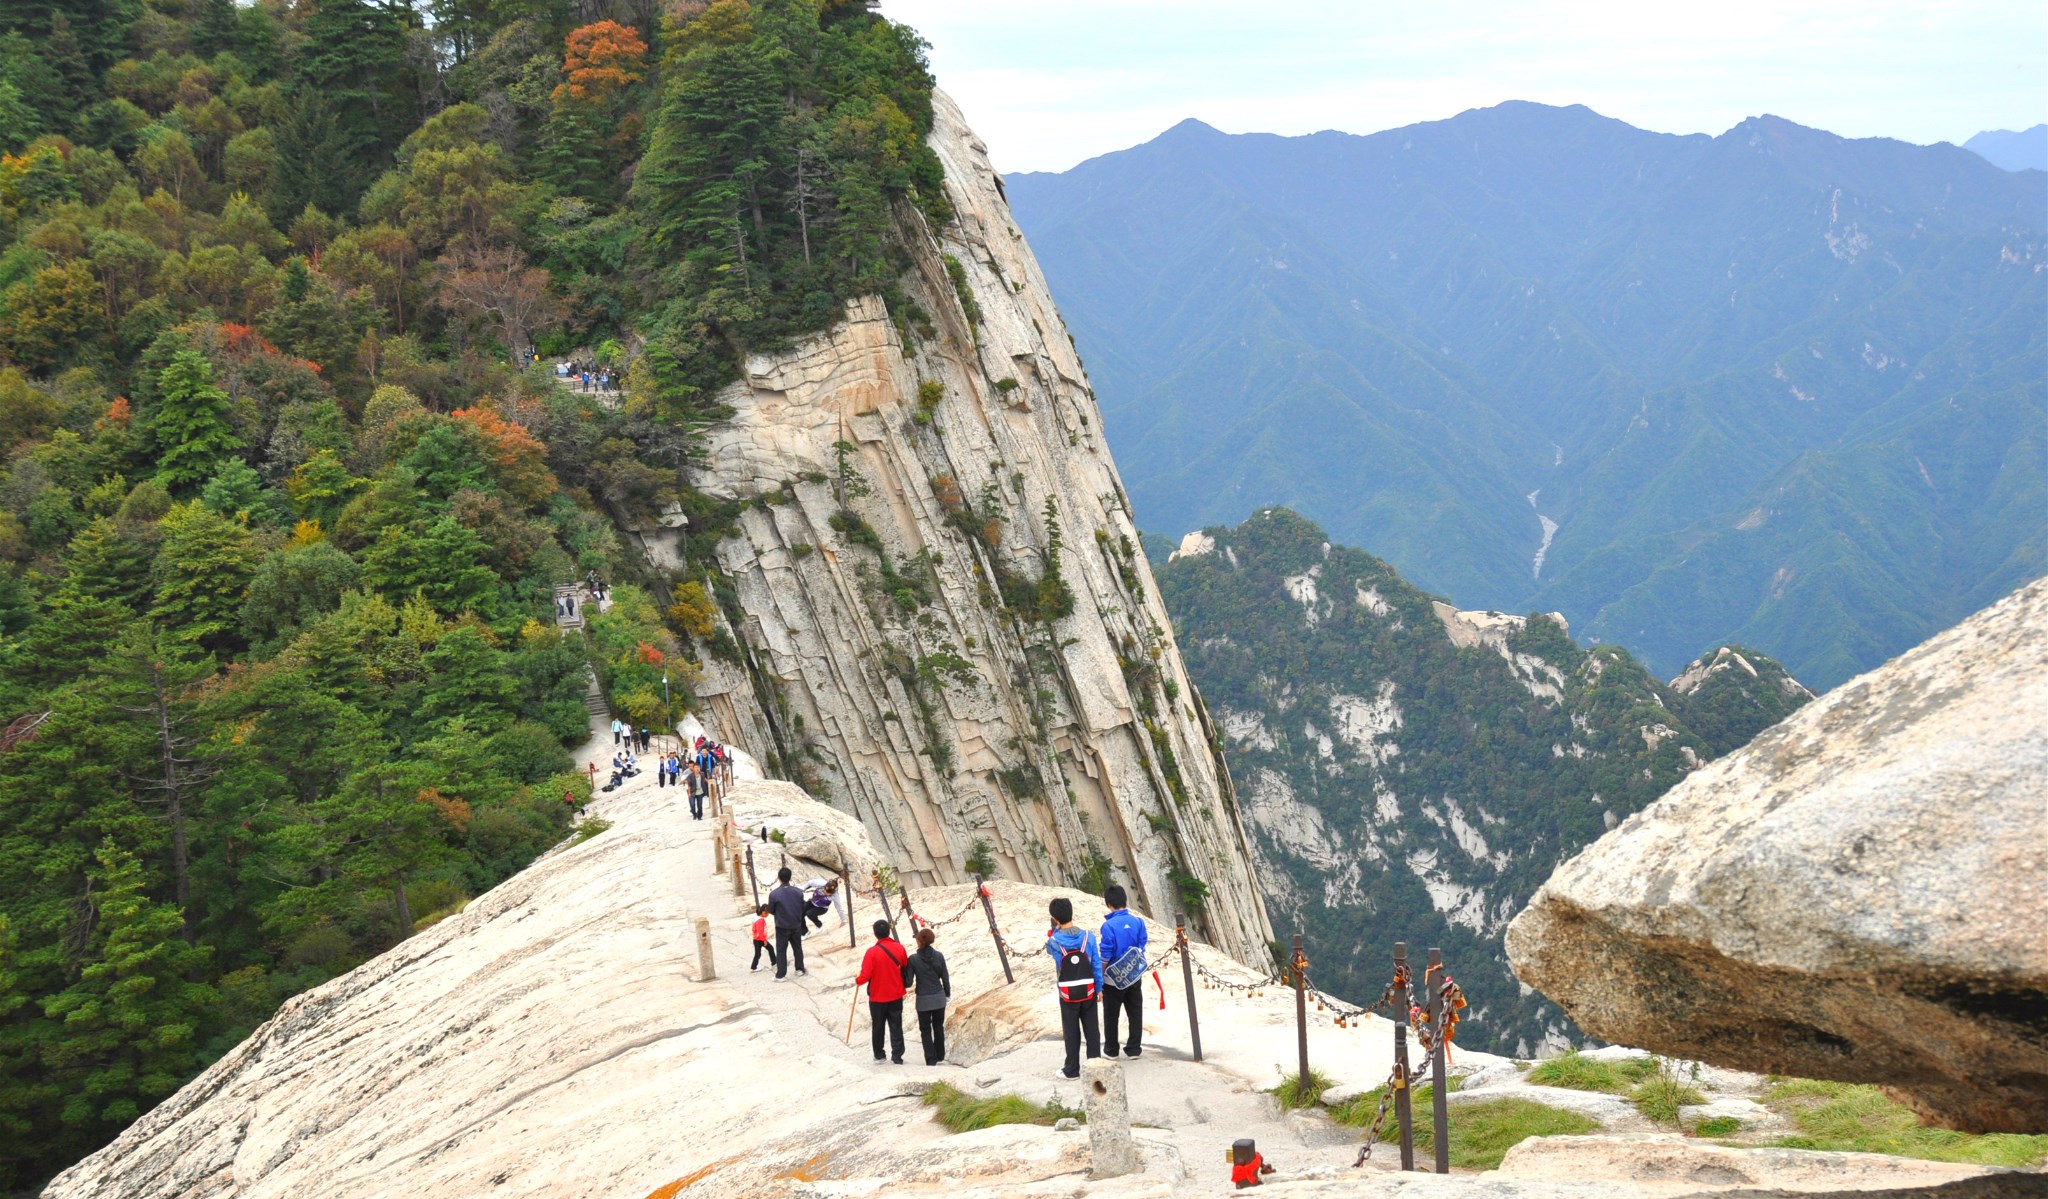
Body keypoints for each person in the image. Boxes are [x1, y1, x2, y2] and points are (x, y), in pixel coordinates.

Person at [1044, 896, 1102, 1080]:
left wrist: (1056, 930)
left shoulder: (1053, 942)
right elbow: (1096, 966)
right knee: (1092, 1029)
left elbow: (1051, 952)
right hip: (1089, 990)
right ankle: (1094, 1066)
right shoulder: (1088, 937)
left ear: (1055, 919)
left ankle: (1072, 1069)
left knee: (1071, 1030)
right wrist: (1099, 988)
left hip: (1068, 993)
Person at [1098, 884, 1149, 1058]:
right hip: (1134, 975)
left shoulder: (1108, 926)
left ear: (1108, 904)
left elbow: (1106, 954)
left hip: (1113, 979)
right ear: (1125, 901)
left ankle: (1112, 1050)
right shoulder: (1138, 921)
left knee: (1112, 1015)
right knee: (1135, 1011)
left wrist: (1101, 975)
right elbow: (1142, 945)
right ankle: (1134, 1049)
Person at [854, 919, 909, 1064]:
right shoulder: (900, 948)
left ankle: (879, 1055)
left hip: (877, 997)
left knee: (878, 1026)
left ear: (875, 934)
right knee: (896, 1025)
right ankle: (897, 1056)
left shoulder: (871, 952)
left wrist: (858, 980)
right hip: (896, 993)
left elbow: (865, 976)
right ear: (889, 931)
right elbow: (904, 965)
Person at [905, 926, 952, 1065]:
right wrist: (947, 994)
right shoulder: (939, 956)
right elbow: (945, 977)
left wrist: (900, 972)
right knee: (938, 1026)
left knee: (925, 1029)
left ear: (918, 941)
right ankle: (940, 1055)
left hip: (923, 1000)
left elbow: (908, 982)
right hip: (938, 997)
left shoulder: (913, 959)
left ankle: (930, 1059)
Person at [768, 867, 807, 979]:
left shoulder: (774, 894)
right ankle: (799, 969)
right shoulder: (798, 892)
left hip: (782, 926)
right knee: (797, 947)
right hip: (796, 924)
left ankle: (781, 975)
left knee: (781, 950)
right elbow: (802, 906)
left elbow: (771, 910)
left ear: (779, 878)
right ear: (790, 878)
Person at [750, 904, 777, 972]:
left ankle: (753, 967)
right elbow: (760, 931)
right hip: (760, 939)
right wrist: (764, 940)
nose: (767, 915)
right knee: (770, 949)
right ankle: (774, 963)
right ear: (763, 912)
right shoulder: (760, 920)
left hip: (756, 939)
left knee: (758, 953)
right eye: (767, 913)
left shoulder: (756, 918)